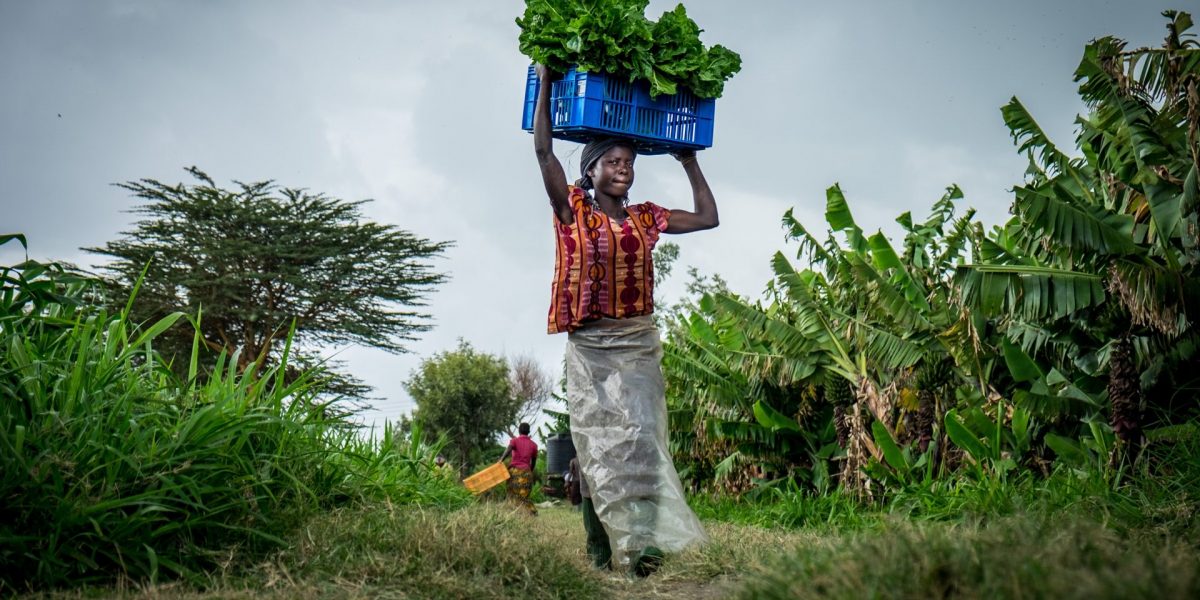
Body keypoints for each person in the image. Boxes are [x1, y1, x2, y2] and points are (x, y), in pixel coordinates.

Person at [532, 64, 716, 577]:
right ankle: (601, 550)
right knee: (595, 445)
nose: (623, 168)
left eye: (629, 162)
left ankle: (643, 551)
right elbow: (544, 151)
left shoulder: (646, 217)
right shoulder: (571, 210)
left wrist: (688, 161)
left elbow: (707, 218)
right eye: (612, 161)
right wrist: (547, 81)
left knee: (641, 441)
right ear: (590, 171)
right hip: (590, 344)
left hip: (636, 342)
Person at [499, 422, 539, 515]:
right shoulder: (534, 445)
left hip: (514, 472)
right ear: (528, 432)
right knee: (524, 495)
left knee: (512, 494)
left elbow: (508, 449)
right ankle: (529, 512)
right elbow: (533, 462)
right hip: (526, 472)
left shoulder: (514, 441)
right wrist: (530, 472)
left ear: (519, 431)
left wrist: (501, 460)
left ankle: (517, 512)